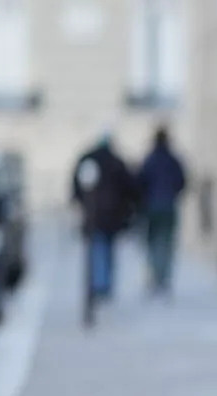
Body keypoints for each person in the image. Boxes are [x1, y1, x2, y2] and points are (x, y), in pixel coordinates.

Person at [71, 133, 135, 303]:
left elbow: (76, 186)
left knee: (98, 248)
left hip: (96, 214)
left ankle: (100, 283)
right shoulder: (116, 162)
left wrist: (80, 202)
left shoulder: (89, 160)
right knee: (106, 249)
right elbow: (129, 188)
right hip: (112, 214)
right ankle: (103, 284)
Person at [135, 127, 188, 295]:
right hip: (168, 205)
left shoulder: (149, 160)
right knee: (165, 243)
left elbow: (140, 182)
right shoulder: (173, 160)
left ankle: (155, 277)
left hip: (151, 206)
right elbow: (182, 181)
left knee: (152, 243)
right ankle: (163, 278)